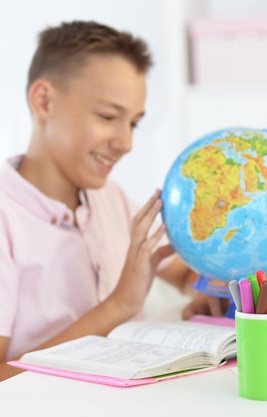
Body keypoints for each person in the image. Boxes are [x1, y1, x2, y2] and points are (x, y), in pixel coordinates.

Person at [0, 21, 228, 381]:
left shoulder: (109, 197)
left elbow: (180, 273)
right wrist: (119, 306)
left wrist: (209, 291)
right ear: (43, 101)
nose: (125, 143)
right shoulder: (6, 218)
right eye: (108, 117)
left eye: (134, 123)